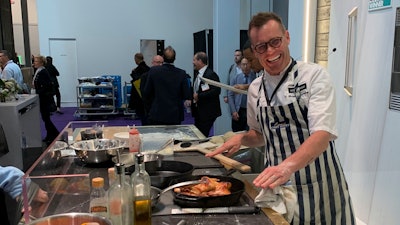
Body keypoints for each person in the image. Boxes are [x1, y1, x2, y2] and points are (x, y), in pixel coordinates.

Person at [207, 12, 355, 224]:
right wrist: (240, 139)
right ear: (254, 52)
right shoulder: (256, 89)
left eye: (275, 42)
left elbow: (322, 134)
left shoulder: (313, 75)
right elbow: (261, 135)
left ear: (287, 37)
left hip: (320, 186)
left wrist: (287, 167)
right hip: (278, 189)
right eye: (261, 47)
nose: (270, 51)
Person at [143, 47, 191, 125]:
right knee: (174, 136)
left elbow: (146, 92)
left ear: (163, 57)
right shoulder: (182, 73)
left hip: (157, 112)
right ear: (175, 58)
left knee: (158, 136)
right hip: (175, 114)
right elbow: (186, 94)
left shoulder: (154, 71)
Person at [191, 52, 221, 137]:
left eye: (194, 60)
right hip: (199, 112)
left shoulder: (211, 74)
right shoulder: (198, 74)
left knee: (202, 135)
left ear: (200, 61)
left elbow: (216, 90)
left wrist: (199, 96)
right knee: (198, 134)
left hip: (207, 112)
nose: (193, 62)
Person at [33, 55, 60, 145]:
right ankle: (51, 134)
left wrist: (38, 92)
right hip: (43, 98)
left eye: (36, 61)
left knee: (46, 118)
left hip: (45, 98)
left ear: (41, 62)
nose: (34, 63)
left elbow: (46, 85)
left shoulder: (43, 72)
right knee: (45, 118)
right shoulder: (40, 71)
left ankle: (54, 134)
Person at [228, 57, 256, 132]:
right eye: (243, 64)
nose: (245, 67)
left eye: (247, 64)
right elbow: (230, 95)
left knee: (249, 133)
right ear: (240, 65)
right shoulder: (235, 78)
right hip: (238, 110)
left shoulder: (256, 77)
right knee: (236, 133)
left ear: (250, 65)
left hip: (250, 110)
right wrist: (233, 111)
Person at [140, 55, 164, 125]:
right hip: (150, 110)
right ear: (153, 63)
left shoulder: (165, 76)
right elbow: (144, 94)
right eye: (158, 62)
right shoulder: (145, 76)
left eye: (162, 62)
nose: (160, 64)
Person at [128, 53, 149, 120]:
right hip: (147, 94)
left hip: (138, 95)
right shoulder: (149, 69)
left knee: (141, 114)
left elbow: (136, 81)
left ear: (136, 59)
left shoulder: (136, 70)